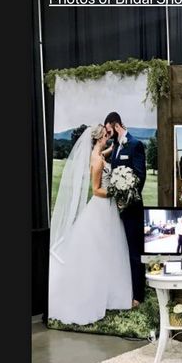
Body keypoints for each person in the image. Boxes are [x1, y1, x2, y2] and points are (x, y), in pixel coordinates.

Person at [48, 125, 133, 324]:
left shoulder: (98, 153)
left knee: (110, 250)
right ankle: (93, 295)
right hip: (100, 207)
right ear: (99, 138)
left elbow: (104, 153)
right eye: (106, 135)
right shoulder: (96, 160)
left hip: (108, 209)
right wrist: (116, 191)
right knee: (100, 251)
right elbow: (96, 190)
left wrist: (117, 144)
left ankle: (110, 294)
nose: (108, 137)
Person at [105, 112, 146, 307]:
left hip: (132, 208)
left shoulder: (135, 144)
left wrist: (125, 197)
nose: (108, 133)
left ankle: (138, 295)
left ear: (116, 125)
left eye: (109, 129)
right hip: (116, 209)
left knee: (134, 251)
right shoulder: (114, 148)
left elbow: (140, 177)